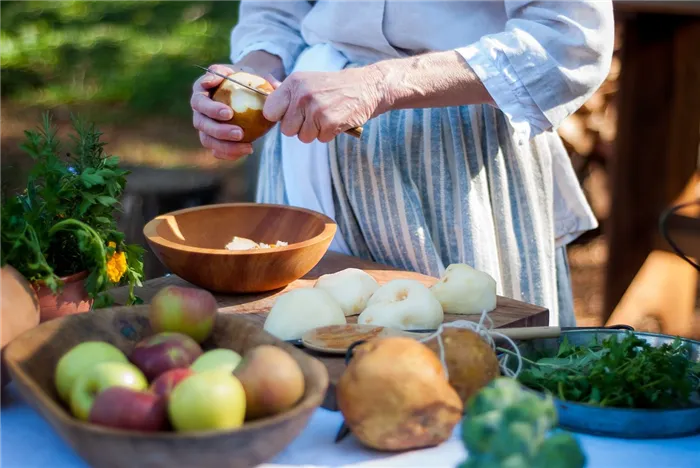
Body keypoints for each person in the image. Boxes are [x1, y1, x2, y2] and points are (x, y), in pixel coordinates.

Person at [190, 1, 615, 327]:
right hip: (305, 144)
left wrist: (381, 84)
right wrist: (249, 79)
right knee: (304, 364)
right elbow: (275, 11)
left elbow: (568, 40)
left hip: (457, 153)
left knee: (471, 362)